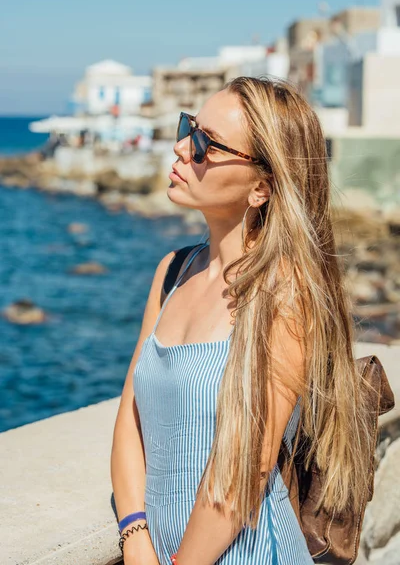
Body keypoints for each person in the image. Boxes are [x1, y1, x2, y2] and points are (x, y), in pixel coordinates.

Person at [111, 76, 370, 565]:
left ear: (261, 187)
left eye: (207, 143)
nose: (183, 147)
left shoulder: (285, 295)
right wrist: (133, 532)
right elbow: (129, 421)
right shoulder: (171, 273)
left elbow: (243, 472)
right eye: (191, 127)